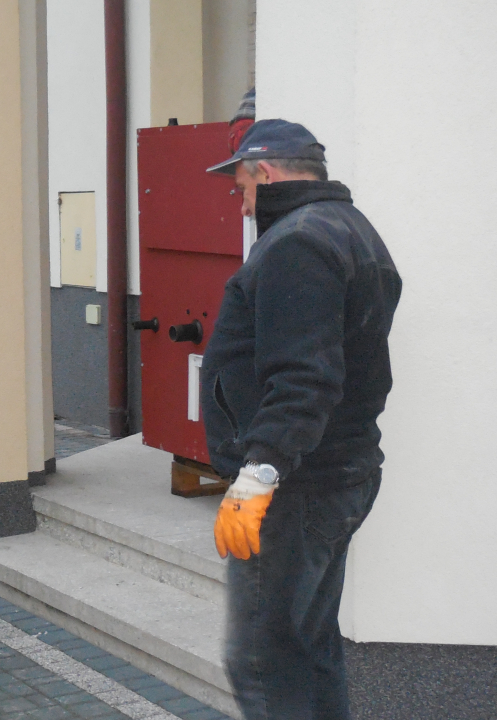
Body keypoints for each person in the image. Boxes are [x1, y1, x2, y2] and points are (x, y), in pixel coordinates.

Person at [203, 120, 401, 720]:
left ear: (264, 173)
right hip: (337, 474)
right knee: (309, 646)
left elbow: (304, 377)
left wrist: (258, 474)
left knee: (263, 661)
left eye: (241, 189)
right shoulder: (350, 228)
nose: (241, 205)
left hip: (298, 488)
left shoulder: (297, 243)